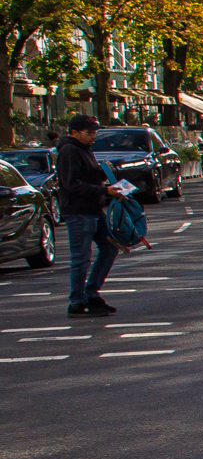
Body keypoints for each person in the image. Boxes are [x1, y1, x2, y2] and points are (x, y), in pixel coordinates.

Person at [55, 114, 122, 316]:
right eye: (89, 132)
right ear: (74, 132)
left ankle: (91, 293)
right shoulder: (69, 151)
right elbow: (72, 184)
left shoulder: (84, 150)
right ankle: (77, 302)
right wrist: (104, 191)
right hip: (79, 211)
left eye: (95, 132)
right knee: (81, 257)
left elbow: (86, 177)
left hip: (93, 209)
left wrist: (104, 174)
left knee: (109, 248)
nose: (93, 136)